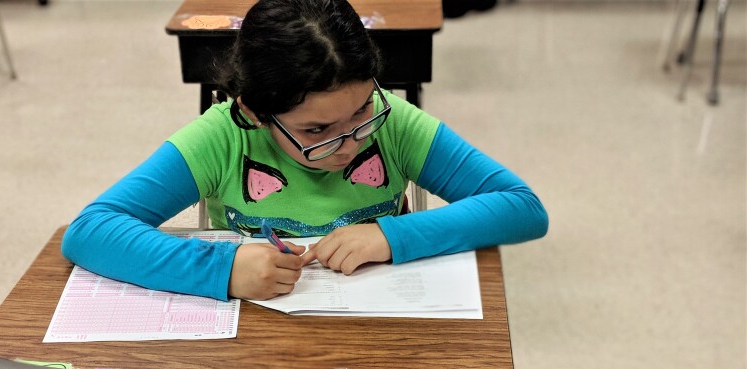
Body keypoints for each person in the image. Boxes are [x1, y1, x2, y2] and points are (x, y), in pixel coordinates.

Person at [61, 0, 548, 302]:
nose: (352, 141)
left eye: (361, 113)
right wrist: (223, 269)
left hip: (380, 335)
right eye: (317, 129)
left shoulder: (392, 123)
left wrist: (393, 235)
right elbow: (91, 231)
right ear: (255, 112)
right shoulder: (222, 136)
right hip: (255, 337)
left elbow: (522, 207)